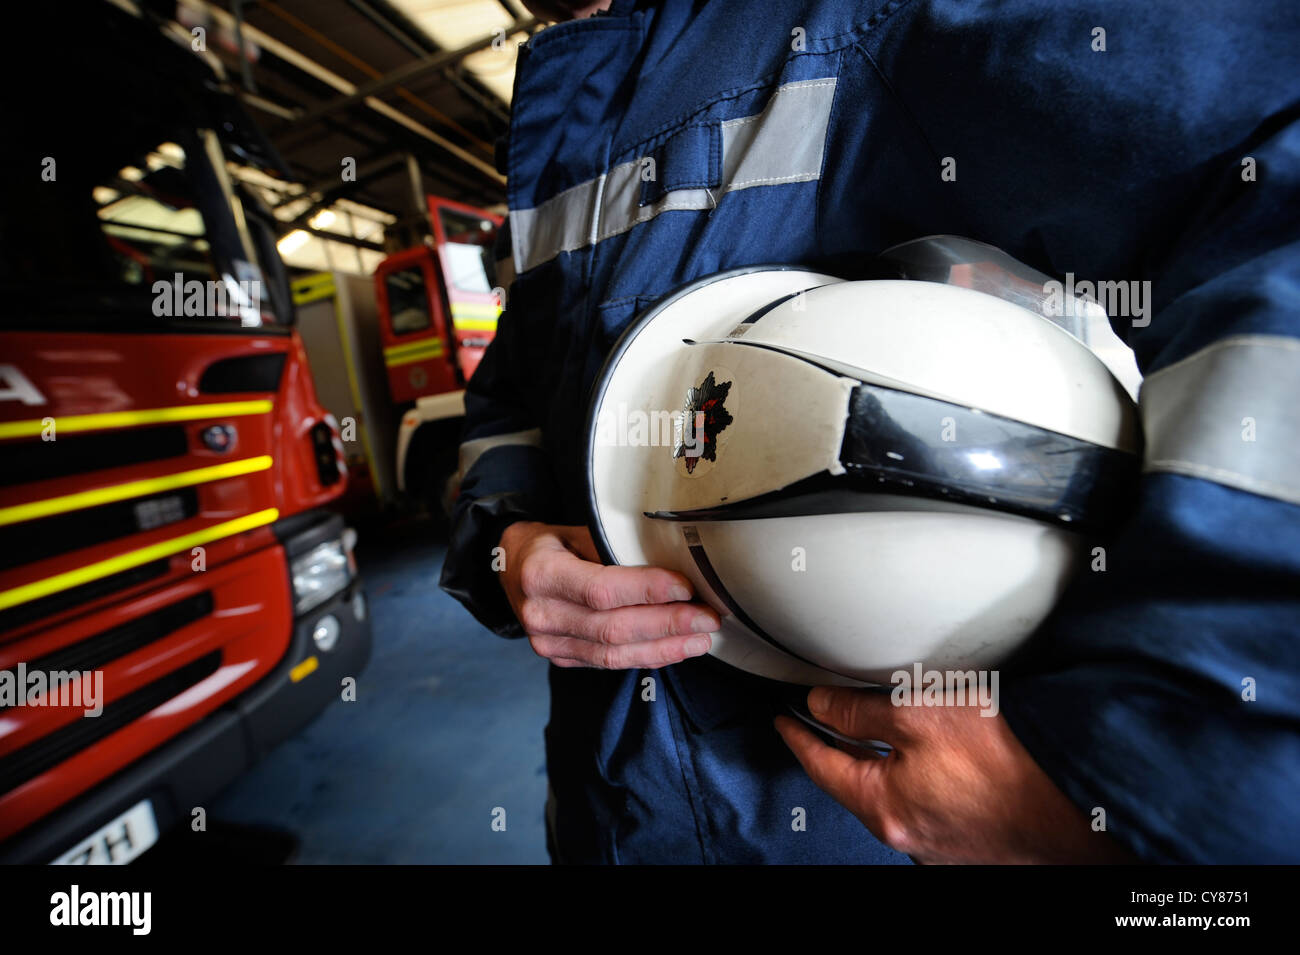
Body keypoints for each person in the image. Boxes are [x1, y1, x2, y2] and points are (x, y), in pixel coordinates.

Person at [441, 0, 1300, 863]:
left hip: (824, 813)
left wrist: (1138, 779)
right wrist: (507, 548)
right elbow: (510, 402)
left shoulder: (858, 21)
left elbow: (1267, 154)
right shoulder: (565, 97)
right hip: (602, 801)